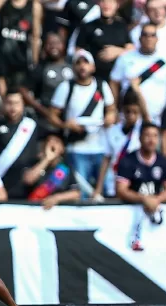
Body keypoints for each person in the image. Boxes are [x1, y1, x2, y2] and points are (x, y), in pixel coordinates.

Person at [50, 49, 117, 197]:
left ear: (92, 67)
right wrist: (66, 125)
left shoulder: (102, 85)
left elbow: (112, 109)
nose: (82, 66)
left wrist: (110, 118)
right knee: (81, 191)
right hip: (76, 148)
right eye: (78, 63)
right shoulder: (66, 87)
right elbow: (53, 115)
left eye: (86, 62)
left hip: (100, 146)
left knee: (105, 191)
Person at [116, 122, 166, 250]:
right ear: (140, 138)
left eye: (155, 136)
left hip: (155, 210)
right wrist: (144, 199)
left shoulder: (164, 162)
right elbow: (121, 190)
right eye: (147, 136)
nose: (151, 140)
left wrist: (156, 200)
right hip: (131, 211)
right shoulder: (128, 160)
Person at [110, 23, 166, 127]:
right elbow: (114, 83)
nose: (149, 38)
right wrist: (113, 109)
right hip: (129, 118)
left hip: (157, 119)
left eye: (152, 35)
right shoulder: (125, 58)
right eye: (145, 35)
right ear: (139, 38)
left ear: (157, 39)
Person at [0, 91, 41, 196]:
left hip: (25, 184)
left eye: (17, 103)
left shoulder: (33, 125)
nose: (13, 107)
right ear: (3, 104)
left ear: (23, 105)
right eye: (9, 103)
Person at [96, 94, 143, 198]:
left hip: (137, 182)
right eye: (127, 111)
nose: (131, 115)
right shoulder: (113, 131)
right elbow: (106, 160)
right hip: (113, 181)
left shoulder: (143, 132)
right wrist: (98, 189)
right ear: (122, 111)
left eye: (135, 112)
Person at [73, 0, 133, 82]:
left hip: (118, 78)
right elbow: (78, 51)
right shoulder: (88, 26)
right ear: (98, 4)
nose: (107, 5)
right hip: (95, 78)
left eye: (111, 2)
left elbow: (132, 49)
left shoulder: (122, 26)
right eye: (104, 1)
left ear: (117, 5)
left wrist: (118, 51)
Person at [21, 133, 82, 207]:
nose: (51, 143)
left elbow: (76, 193)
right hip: (33, 209)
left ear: (62, 148)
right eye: (48, 141)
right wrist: (46, 159)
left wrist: (56, 198)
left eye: (56, 141)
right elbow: (28, 180)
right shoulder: (34, 163)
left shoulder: (65, 168)